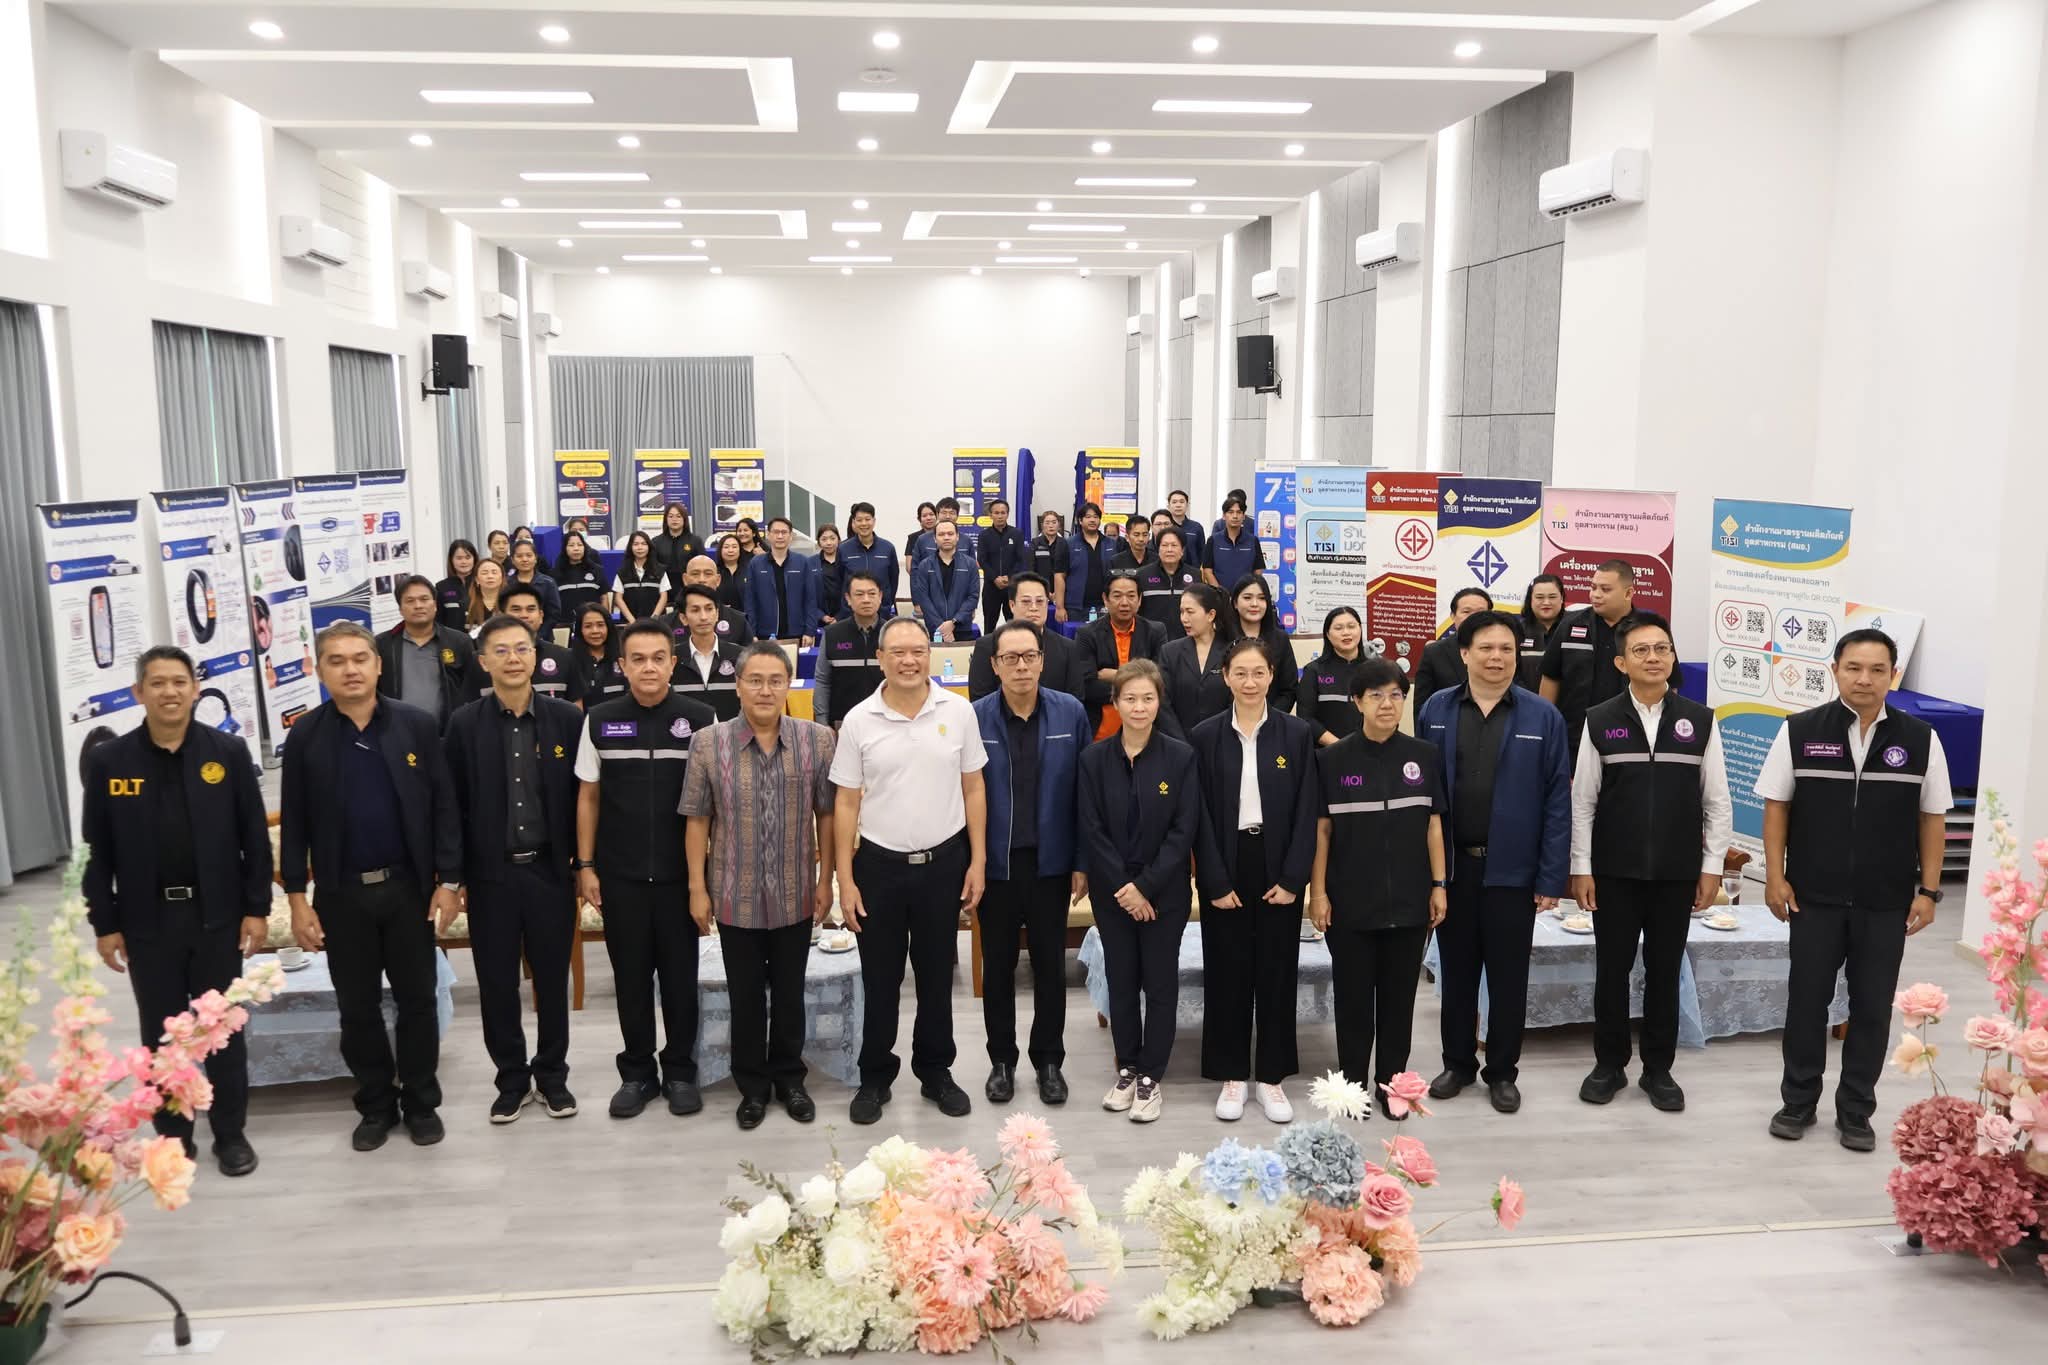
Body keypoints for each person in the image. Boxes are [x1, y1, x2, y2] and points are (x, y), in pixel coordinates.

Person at [1757, 628, 1952, 1152]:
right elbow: (1776, 806)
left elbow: (1932, 818)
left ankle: (1856, 1110)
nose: (1865, 679)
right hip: (1813, 897)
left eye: (1877, 670)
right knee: (1807, 1003)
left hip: (1885, 902)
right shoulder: (1799, 731)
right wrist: (1774, 876)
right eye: (1854, 668)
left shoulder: (1920, 739)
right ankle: (1798, 1102)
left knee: (1872, 1008)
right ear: (1835, 670)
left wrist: (1929, 891)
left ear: (1893, 676)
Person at [83, 646, 270, 1176]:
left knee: (222, 1031)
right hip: (147, 924)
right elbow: (96, 851)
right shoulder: (110, 761)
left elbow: (254, 839)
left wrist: (256, 908)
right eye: (157, 683)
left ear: (195, 689)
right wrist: (105, 923)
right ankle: (173, 1137)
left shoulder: (226, 752)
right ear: (139, 692)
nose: (169, 692)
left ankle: (230, 1134)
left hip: (217, 918)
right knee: (162, 1037)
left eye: (179, 682)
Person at [281, 622, 462, 1152]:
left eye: (360, 658)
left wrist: (449, 881)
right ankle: (377, 1104)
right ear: (320, 670)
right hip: (342, 895)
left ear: (379, 664)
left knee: (417, 1002)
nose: (351, 669)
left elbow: (444, 807)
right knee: (357, 1008)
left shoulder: (415, 725)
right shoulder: (306, 736)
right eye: (336, 661)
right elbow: (294, 822)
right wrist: (296, 898)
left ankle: (421, 1102)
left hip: (408, 891)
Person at [1569, 610, 1732, 1114]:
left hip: (1676, 873)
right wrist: (1581, 866)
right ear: (1622, 662)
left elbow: (1717, 801)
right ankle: (1609, 1064)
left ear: (1673, 656)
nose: (1654, 657)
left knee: (1665, 972)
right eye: (1641, 650)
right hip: (1613, 873)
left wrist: (1711, 867)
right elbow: (1583, 801)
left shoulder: (1699, 720)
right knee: (1611, 972)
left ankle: (1658, 1069)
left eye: (1662, 648)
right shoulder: (1599, 720)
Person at [831, 617, 988, 1126]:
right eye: (897, 652)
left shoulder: (958, 712)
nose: (908, 660)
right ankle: (875, 1075)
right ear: (880, 658)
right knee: (880, 980)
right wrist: (845, 880)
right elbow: (846, 803)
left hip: (944, 864)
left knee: (937, 978)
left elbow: (974, 788)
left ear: (930, 654)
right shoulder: (859, 720)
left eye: (918, 650)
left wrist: (978, 860)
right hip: (878, 868)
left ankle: (936, 1071)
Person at [1415, 610, 1572, 1114]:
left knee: (1508, 979)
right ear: (1464, 653)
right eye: (1485, 648)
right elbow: (1421, 795)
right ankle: (1457, 1063)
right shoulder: (1437, 709)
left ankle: (1502, 1071)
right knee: (1456, 973)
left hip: (1514, 871)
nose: (1497, 657)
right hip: (1453, 870)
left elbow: (1558, 801)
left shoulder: (1542, 716)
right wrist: (1428, 875)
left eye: (1507, 648)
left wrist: (1551, 876)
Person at [682, 643, 839, 1130]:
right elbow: (697, 820)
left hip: (796, 892)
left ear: (789, 684)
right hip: (735, 894)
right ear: (738, 686)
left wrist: (827, 879)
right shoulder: (708, 743)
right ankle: (751, 1087)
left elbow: (827, 815)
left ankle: (790, 1080)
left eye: (775, 680)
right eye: (755, 680)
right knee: (745, 997)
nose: (765, 690)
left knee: (791, 994)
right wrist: (697, 888)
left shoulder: (817, 741)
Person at [443, 612, 586, 1123]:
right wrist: (453, 877)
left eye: (521, 649)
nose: (512, 659)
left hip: (550, 873)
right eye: (500, 651)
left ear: (536, 656)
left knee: (551, 979)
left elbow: (584, 799)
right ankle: (511, 1080)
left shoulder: (566, 720)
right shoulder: (464, 724)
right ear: (483, 661)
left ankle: (552, 1076)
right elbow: (452, 806)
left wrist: (583, 865)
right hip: (491, 877)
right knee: (497, 983)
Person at [573, 620, 718, 1121]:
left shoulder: (702, 718)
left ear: (673, 664)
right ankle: (637, 1073)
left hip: (682, 879)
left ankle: (680, 1071)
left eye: (658, 658)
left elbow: (714, 803)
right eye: (638, 659)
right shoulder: (599, 720)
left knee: (680, 981)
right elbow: (588, 797)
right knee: (631, 981)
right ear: (622, 665)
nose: (649, 667)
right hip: (621, 877)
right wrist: (586, 866)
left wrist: (706, 879)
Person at [1190, 637, 1320, 1124]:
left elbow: (1308, 810)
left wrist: (1293, 877)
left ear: (1272, 676)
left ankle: (1271, 1077)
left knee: (1277, 971)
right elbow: (1197, 815)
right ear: (1226, 677)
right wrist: (1213, 878)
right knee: (1226, 970)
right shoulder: (1204, 735)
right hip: (1226, 860)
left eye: (1258, 673)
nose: (1250, 682)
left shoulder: (1296, 733)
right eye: (1240, 673)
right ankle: (1231, 1075)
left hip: (1277, 862)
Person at [1310, 658, 1447, 1110]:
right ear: (1357, 702)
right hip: (1350, 902)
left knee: (1398, 1003)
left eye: (1395, 695)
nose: (1387, 704)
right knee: (1353, 1003)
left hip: (1409, 901)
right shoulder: (1332, 760)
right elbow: (1322, 831)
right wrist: (1318, 892)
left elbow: (1433, 825)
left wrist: (1439, 884)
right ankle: (1352, 1090)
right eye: (1376, 696)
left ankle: (1392, 1086)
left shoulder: (1424, 755)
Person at [972, 620, 1089, 1108]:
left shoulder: (1070, 712)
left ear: (1042, 660)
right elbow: (964, 794)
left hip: (1051, 864)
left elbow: (1085, 793)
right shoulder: (975, 717)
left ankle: (1048, 1062)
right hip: (995, 867)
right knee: (998, 967)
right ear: (995, 664)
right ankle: (1001, 1061)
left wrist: (1081, 860)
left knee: (1049, 966)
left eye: (1029, 656)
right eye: (1010, 658)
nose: (1021, 666)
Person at [1078, 659, 1201, 1123]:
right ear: (1115, 702)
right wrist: (1125, 889)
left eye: (1148, 698)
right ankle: (1127, 1068)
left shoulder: (1180, 757)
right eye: (1130, 698)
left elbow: (1183, 830)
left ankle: (1152, 1075)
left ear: (1159, 701)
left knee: (1161, 982)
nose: (1139, 706)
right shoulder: (1093, 759)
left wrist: (1145, 886)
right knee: (1123, 981)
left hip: (1164, 892)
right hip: (1113, 892)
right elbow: (1091, 828)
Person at [1541, 560, 1635, 752]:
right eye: (1593, 587)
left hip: (1629, 739)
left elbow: (1667, 683)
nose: (1596, 594)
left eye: (1605, 589)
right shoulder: (1570, 624)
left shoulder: (1649, 629)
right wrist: (1544, 726)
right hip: (1573, 738)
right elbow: (1550, 677)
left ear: (1628, 593)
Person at [966, 573, 1088, 706]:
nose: (1034, 608)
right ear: (1012, 605)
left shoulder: (1067, 648)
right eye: (1026, 602)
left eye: (1040, 601)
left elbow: (1076, 700)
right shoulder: (987, 646)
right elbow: (979, 702)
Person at [378, 574, 477, 730]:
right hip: (398, 733)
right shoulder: (382, 645)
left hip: (448, 733)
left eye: (424, 599)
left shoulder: (459, 642)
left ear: (435, 605)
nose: (418, 605)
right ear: (400, 609)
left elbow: (472, 689)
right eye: (410, 601)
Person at [1077, 574, 1171, 738]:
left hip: (1146, 730)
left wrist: (1116, 675)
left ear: (1140, 599)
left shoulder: (1155, 632)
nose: (1125, 603)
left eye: (1131, 596)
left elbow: (1160, 681)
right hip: (1100, 731)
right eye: (1117, 596)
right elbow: (1086, 687)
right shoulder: (1087, 634)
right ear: (1105, 599)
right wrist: (1138, 689)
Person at [815, 571, 886, 729]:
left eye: (872, 593)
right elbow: (822, 680)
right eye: (859, 594)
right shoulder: (832, 634)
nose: (866, 599)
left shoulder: (892, 633)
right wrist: (822, 723)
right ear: (848, 598)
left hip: (886, 721)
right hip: (843, 722)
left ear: (880, 596)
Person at [498, 582, 586, 707]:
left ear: (541, 616)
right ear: (502, 616)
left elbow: (576, 711)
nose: (524, 615)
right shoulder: (484, 661)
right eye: (516, 609)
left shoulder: (566, 658)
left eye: (530, 609)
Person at [1160, 584, 1230, 737]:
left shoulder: (1231, 651)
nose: (1184, 619)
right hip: (1179, 742)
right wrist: (1180, 743)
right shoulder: (1170, 652)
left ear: (1211, 615)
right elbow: (1163, 704)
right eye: (1182, 612)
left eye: (1190, 612)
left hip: (1221, 739)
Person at [670, 584, 745, 722]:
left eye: (709, 609)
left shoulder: (740, 655)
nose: (703, 617)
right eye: (695, 610)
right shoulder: (671, 659)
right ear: (683, 618)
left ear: (717, 614)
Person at [1414, 588, 1493, 718]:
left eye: (1480, 612)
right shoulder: (1434, 652)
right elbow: (1422, 706)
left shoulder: (1503, 651)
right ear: (1453, 616)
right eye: (1466, 611)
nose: (1473, 617)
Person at [742, 516, 821, 644]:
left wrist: (809, 631)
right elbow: (750, 601)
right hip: (764, 634)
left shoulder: (802, 562)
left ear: (791, 536)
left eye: (784, 532)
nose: (780, 536)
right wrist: (752, 632)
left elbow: (810, 599)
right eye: (776, 532)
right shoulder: (756, 564)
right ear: (768, 535)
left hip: (797, 633)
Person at [1297, 606, 1369, 747]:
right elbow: (1305, 718)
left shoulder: (1375, 670)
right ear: (1328, 634)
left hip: (1368, 750)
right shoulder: (1314, 671)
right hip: (1325, 752)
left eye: (1351, 626)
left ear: (1360, 629)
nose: (1346, 632)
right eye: (1338, 628)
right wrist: (1339, 746)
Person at [1228, 574, 1298, 715]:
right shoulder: (1222, 638)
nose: (1255, 604)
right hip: (1228, 721)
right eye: (1247, 598)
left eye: (1261, 598)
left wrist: (1268, 718)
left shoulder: (1280, 639)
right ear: (1235, 603)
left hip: (1271, 720)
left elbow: (1289, 690)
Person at [911, 519, 981, 643]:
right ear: (935, 538)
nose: (946, 537)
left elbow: (973, 597)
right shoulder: (925, 565)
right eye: (941, 534)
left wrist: (954, 622)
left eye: (950, 533)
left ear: (957, 537)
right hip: (935, 629)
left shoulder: (970, 564)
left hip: (962, 627)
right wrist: (941, 626)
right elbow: (924, 599)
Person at [667, 553, 753, 646]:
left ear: (718, 580)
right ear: (685, 579)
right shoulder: (666, 624)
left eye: (708, 574)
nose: (701, 579)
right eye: (695, 574)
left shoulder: (739, 622)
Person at [837, 502, 901, 618]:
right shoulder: (843, 549)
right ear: (853, 522)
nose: (864, 523)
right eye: (859, 520)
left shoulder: (888, 548)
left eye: (867, 519)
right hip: (851, 614)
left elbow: (893, 580)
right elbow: (840, 581)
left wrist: (886, 604)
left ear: (874, 521)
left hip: (881, 613)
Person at [976, 499, 1029, 634]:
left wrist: (1009, 578)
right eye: (996, 513)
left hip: (1011, 587)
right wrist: (995, 578)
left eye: (1003, 513)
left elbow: (1021, 559)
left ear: (1007, 514)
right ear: (990, 515)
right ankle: (989, 647)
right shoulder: (984, 536)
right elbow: (982, 559)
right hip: (991, 586)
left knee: (1014, 625)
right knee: (989, 626)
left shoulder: (1016, 534)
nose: (1000, 516)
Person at [1063, 502, 1118, 626]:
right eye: (1088, 517)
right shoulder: (1068, 544)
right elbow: (1060, 576)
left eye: (1095, 517)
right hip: (1076, 607)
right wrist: (1060, 607)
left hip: (1104, 606)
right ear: (1080, 521)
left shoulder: (1111, 544)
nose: (1092, 520)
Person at [1202, 494, 1264, 590]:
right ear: (1224, 516)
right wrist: (1221, 593)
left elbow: (1258, 570)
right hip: (1220, 595)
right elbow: (1207, 571)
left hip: (1245, 595)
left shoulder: (1253, 540)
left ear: (1243, 516)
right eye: (1230, 512)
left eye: (1239, 512)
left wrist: (1249, 592)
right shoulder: (1213, 540)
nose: (1235, 516)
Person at [1518, 573, 1567, 690]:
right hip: (1523, 699)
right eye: (1539, 597)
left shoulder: (1575, 628)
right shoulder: (1517, 630)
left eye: (1552, 597)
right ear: (1530, 599)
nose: (1546, 602)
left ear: (1561, 598)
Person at [1147, 529, 1200, 635]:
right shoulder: (1143, 575)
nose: (1169, 550)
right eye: (1165, 545)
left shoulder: (1196, 575)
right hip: (1151, 639)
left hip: (1186, 638)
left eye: (1174, 545)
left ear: (1182, 550)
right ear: (1158, 549)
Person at [571, 603, 626, 702]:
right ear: (580, 630)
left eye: (600, 625)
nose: (595, 631)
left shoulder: (623, 657)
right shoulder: (570, 660)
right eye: (588, 626)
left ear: (608, 627)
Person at [506, 539, 563, 633]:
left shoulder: (548, 582)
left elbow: (554, 615)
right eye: (519, 556)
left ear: (535, 558)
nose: (524, 559)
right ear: (512, 560)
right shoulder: (506, 583)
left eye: (529, 555)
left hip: (543, 636)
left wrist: (539, 635)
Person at [613, 531, 668, 623]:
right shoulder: (622, 572)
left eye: (643, 544)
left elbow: (664, 597)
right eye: (636, 544)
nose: (640, 547)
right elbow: (618, 598)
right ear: (630, 547)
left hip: (656, 623)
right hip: (630, 623)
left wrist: (654, 619)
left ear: (649, 546)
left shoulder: (660, 570)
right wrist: (632, 621)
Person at [552, 530, 606, 624]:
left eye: (580, 545)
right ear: (564, 548)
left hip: (592, 623)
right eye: (571, 545)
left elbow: (604, 597)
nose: (576, 548)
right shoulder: (555, 573)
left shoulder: (596, 570)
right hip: (565, 623)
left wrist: (604, 619)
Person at [1030, 510, 1073, 624]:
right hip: (1040, 593)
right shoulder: (1035, 543)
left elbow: (1068, 570)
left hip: (1062, 595)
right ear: (1042, 525)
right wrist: (1046, 592)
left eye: (1054, 522)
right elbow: (1031, 570)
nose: (1051, 525)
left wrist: (1057, 594)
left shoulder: (1065, 544)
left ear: (1059, 525)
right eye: (1047, 522)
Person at [649, 503, 703, 580]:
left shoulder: (696, 541)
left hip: (689, 583)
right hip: (663, 583)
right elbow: (652, 566)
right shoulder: (656, 542)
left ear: (684, 519)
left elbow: (701, 565)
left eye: (678, 516)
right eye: (671, 516)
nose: (674, 519)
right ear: (666, 519)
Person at [437, 539, 480, 633]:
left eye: (468, 557)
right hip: (451, 639)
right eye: (459, 558)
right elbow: (438, 621)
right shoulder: (441, 587)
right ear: (451, 560)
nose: (464, 562)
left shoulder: (482, 583)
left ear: (474, 559)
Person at [814, 523, 846, 627]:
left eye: (832, 538)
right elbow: (807, 593)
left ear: (839, 540)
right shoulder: (810, 562)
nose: (828, 543)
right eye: (824, 539)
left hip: (845, 617)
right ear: (818, 542)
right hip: (819, 620)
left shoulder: (846, 561)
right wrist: (821, 615)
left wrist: (839, 617)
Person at [1165, 489, 1205, 570]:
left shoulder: (1196, 527)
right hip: (1168, 570)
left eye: (1182, 502)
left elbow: (1202, 552)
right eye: (1174, 502)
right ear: (1168, 506)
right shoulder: (1165, 527)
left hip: (1192, 571)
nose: (1178, 505)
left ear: (1187, 505)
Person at [466, 557, 506, 632]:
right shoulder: (466, 604)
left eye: (494, 572)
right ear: (477, 579)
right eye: (484, 573)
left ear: (502, 578)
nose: (490, 576)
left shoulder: (509, 602)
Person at [713, 534, 749, 613]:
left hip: (745, 616)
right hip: (720, 615)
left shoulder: (749, 570)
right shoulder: (713, 572)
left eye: (734, 547)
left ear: (740, 550)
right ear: (720, 550)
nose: (730, 550)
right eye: (726, 547)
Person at [902, 500, 939, 565]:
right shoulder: (913, 538)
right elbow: (909, 566)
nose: (928, 518)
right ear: (919, 519)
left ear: (937, 516)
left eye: (931, 514)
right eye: (924, 516)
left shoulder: (943, 535)